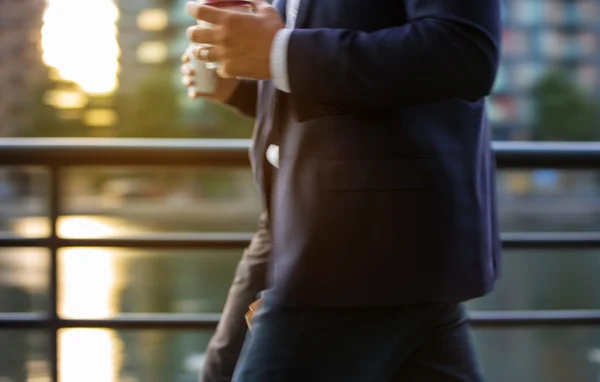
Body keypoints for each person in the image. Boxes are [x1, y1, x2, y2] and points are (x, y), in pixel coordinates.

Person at [183, 0, 502, 380]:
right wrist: (241, 87)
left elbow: (464, 51)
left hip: (363, 238)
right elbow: (335, 101)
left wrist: (280, 53)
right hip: (304, 223)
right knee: (221, 372)